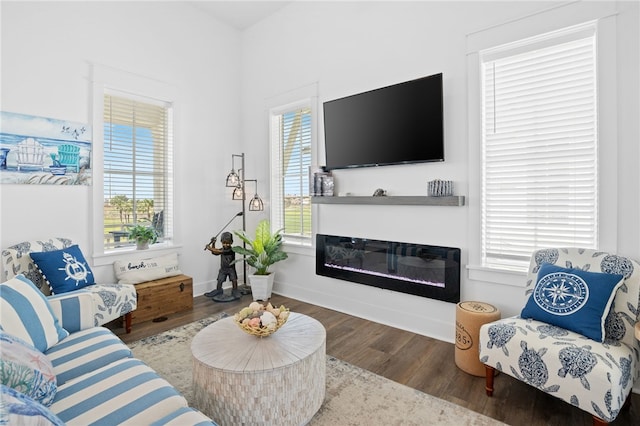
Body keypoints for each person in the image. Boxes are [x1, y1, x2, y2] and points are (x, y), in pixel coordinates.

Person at [204, 232, 240, 300]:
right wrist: (213, 243)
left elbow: (218, 251)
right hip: (223, 268)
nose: (226, 245)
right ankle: (218, 290)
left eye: (228, 243)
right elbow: (214, 252)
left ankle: (235, 290)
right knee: (220, 280)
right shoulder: (222, 249)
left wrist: (210, 248)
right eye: (224, 243)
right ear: (221, 242)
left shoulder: (231, 250)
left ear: (231, 242)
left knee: (234, 280)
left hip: (231, 268)